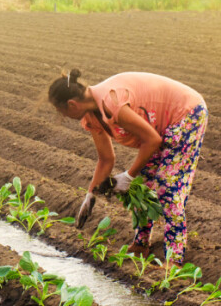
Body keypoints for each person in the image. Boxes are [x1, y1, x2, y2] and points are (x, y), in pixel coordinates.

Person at [48, 69, 208, 264]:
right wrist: (90, 196)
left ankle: (174, 260)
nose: (61, 116)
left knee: (168, 186)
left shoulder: (112, 103)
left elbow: (152, 140)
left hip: (186, 112)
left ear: (72, 104)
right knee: (141, 186)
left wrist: (128, 175)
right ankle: (141, 244)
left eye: (60, 111)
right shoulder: (91, 115)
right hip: (161, 125)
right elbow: (106, 159)